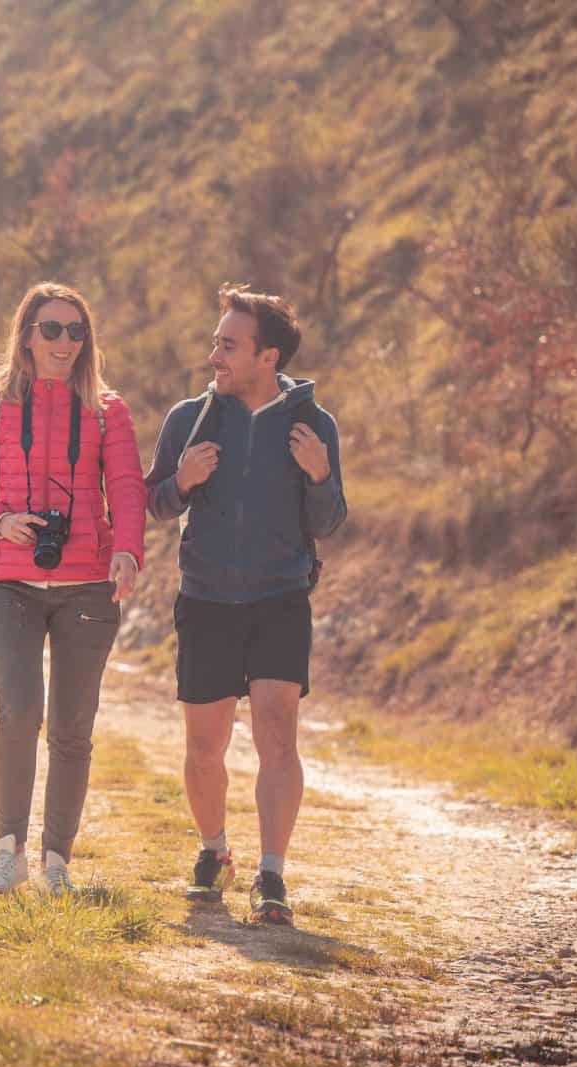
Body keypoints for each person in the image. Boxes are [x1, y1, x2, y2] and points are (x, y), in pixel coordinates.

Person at [144, 283, 347, 926]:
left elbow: (331, 519)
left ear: (270, 356)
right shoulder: (190, 418)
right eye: (215, 342)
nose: (214, 357)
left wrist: (319, 474)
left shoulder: (314, 426)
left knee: (276, 733)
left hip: (280, 599)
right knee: (205, 748)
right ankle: (213, 852)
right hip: (205, 600)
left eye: (228, 345)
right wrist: (182, 480)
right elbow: (153, 501)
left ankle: (272, 874)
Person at [0, 282, 147, 896]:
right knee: (18, 712)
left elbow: (128, 489)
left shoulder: (109, 411)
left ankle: (56, 861)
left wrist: (127, 552)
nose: (65, 342)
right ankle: (7, 853)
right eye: (52, 329)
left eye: (76, 330)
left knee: (71, 728)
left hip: (88, 587)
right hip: (9, 584)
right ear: (27, 335)